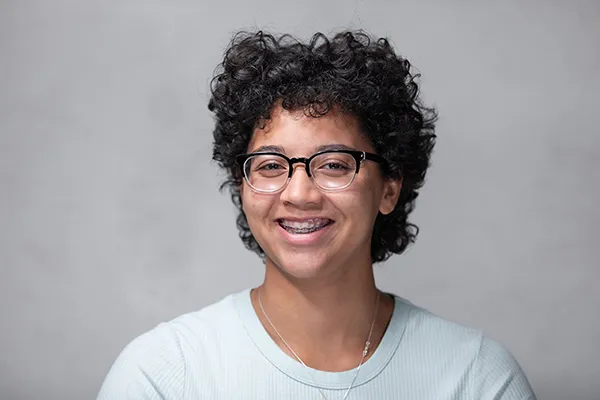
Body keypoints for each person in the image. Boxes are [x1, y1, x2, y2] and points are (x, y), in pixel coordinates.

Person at [98, 30, 536, 399]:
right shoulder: (164, 374)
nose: (300, 194)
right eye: (270, 166)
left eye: (334, 165)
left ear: (389, 186)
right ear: (242, 185)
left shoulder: (477, 378)